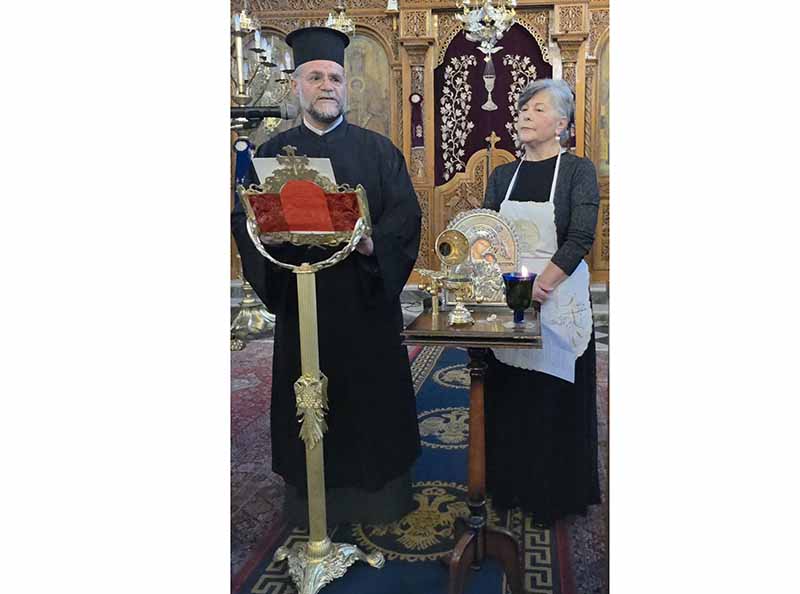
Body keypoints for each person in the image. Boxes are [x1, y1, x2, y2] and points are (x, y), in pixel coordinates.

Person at [231, 27, 422, 528]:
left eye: (335, 78)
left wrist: (372, 243)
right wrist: (264, 238)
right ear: (296, 85)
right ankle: (311, 500)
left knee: (370, 400)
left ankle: (379, 498)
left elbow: (406, 217)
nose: (326, 86)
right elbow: (244, 218)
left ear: (346, 87)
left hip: (364, 302)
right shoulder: (271, 154)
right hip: (302, 301)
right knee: (308, 397)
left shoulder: (379, 151)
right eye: (315, 77)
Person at [482, 78, 601, 525]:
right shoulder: (502, 175)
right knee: (512, 395)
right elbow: (488, 232)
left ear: (562, 124)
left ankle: (553, 495)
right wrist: (511, 285)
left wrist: (539, 288)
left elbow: (580, 236)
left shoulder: (577, 171)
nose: (525, 115)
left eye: (537, 109)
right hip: (509, 295)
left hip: (557, 296)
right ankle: (510, 486)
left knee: (553, 399)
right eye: (523, 109)